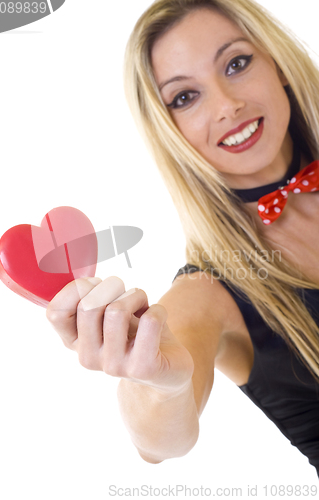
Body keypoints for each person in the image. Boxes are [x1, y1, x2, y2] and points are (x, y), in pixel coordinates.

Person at [46, 0, 319, 475]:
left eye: (236, 63)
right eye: (184, 98)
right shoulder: (207, 290)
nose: (227, 105)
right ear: (169, 131)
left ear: (277, 63)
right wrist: (157, 385)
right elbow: (161, 442)